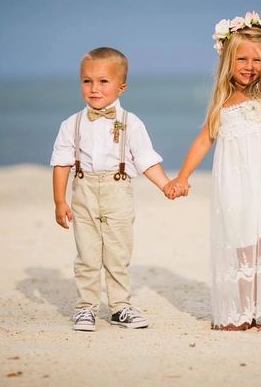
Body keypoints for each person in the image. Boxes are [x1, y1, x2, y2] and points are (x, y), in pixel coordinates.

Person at [165, 12, 261, 331]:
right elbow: (204, 140)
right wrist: (182, 176)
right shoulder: (223, 103)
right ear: (227, 59)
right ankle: (242, 311)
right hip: (236, 189)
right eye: (242, 58)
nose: (250, 66)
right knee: (242, 244)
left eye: (256, 59)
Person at [51, 47, 179, 331]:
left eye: (103, 81)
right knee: (87, 255)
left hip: (117, 190)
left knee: (117, 254)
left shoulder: (131, 123)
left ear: (121, 87)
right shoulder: (71, 124)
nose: (94, 88)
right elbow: (61, 164)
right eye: (87, 81)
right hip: (83, 191)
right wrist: (60, 201)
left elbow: (146, 159)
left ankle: (120, 307)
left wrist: (166, 185)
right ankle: (86, 308)